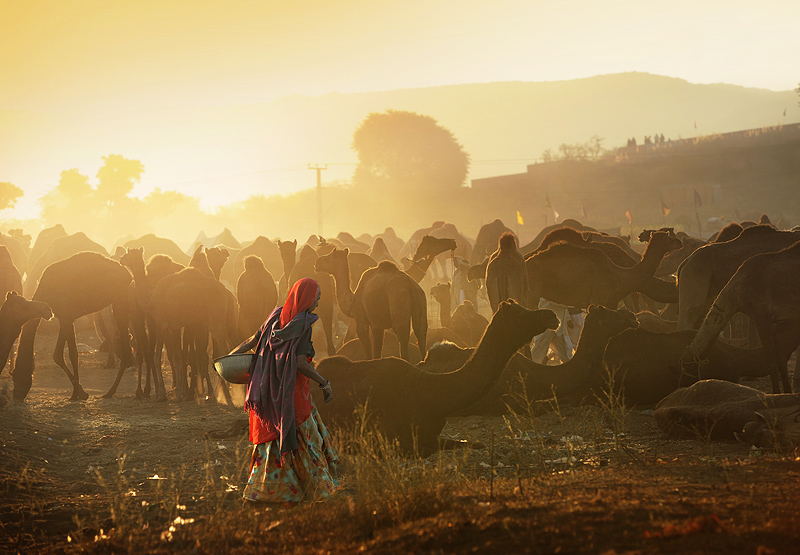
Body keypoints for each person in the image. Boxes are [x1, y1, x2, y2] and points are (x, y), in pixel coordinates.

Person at [228, 277, 339, 503]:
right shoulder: (303, 325)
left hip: (268, 389)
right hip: (293, 391)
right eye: (316, 298)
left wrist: (230, 356)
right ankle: (318, 490)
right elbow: (299, 362)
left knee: (272, 438)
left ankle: (267, 490)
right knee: (305, 439)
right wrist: (324, 382)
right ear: (306, 299)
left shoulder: (274, 316)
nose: (317, 303)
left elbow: (253, 339)